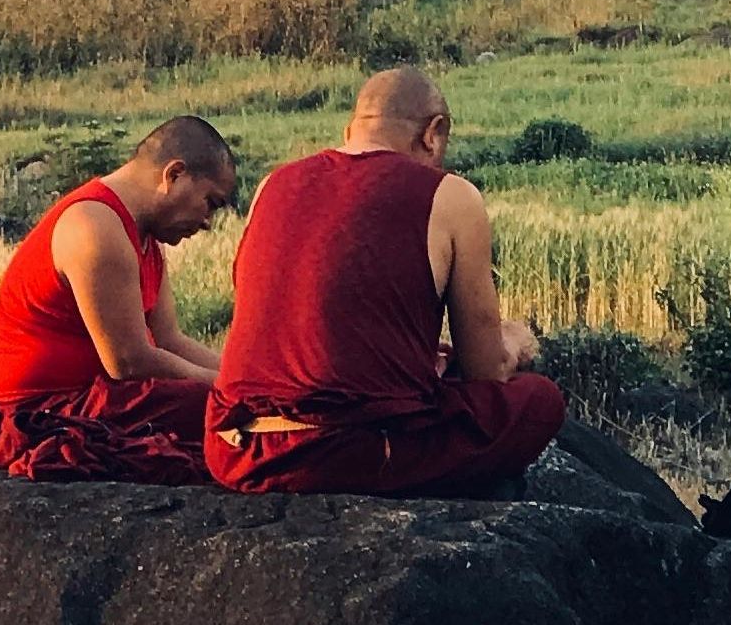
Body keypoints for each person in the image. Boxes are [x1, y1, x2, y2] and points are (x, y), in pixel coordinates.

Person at [205, 66, 565, 497]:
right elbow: (486, 371)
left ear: (351, 129)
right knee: (539, 400)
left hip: (237, 452)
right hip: (354, 453)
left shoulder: (272, 184)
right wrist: (516, 342)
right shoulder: (451, 194)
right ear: (435, 132)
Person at [0, 115, 239, 484]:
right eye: (210, 202)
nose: (207, 222)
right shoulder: (95, 225)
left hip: (94, 403)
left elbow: (170, 340)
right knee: (218, 412)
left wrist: (244, 380)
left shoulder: (145, 239)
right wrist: (227, 392)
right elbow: (129, 361)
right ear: (174, 175)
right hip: (37, 416)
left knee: (232, 405)